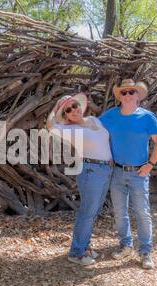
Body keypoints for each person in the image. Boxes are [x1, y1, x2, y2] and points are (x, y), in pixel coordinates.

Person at [99, 79, 157, 269]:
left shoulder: (147, 117)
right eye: (124, 92)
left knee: (142, 213)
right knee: (120, 213)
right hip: (117, 172)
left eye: (131, 92)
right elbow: (94, 131)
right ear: (119, 96)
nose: (127, 95)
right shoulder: (110, 116)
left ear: (138, 95)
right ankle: (125, 245)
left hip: (139, 172)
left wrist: (150, 165)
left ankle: (145, 252)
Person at [47, 93, 113, 266]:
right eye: (68, 110)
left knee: (94, 210)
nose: (73, 110)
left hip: (105, 169)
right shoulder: (70, 130)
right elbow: (50, 126)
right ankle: (76, 252)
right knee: (87, 211)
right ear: (66, 116)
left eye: (74, 105)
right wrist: (55, 108)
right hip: (90, 170)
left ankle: (85, 247)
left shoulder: (94, 120)